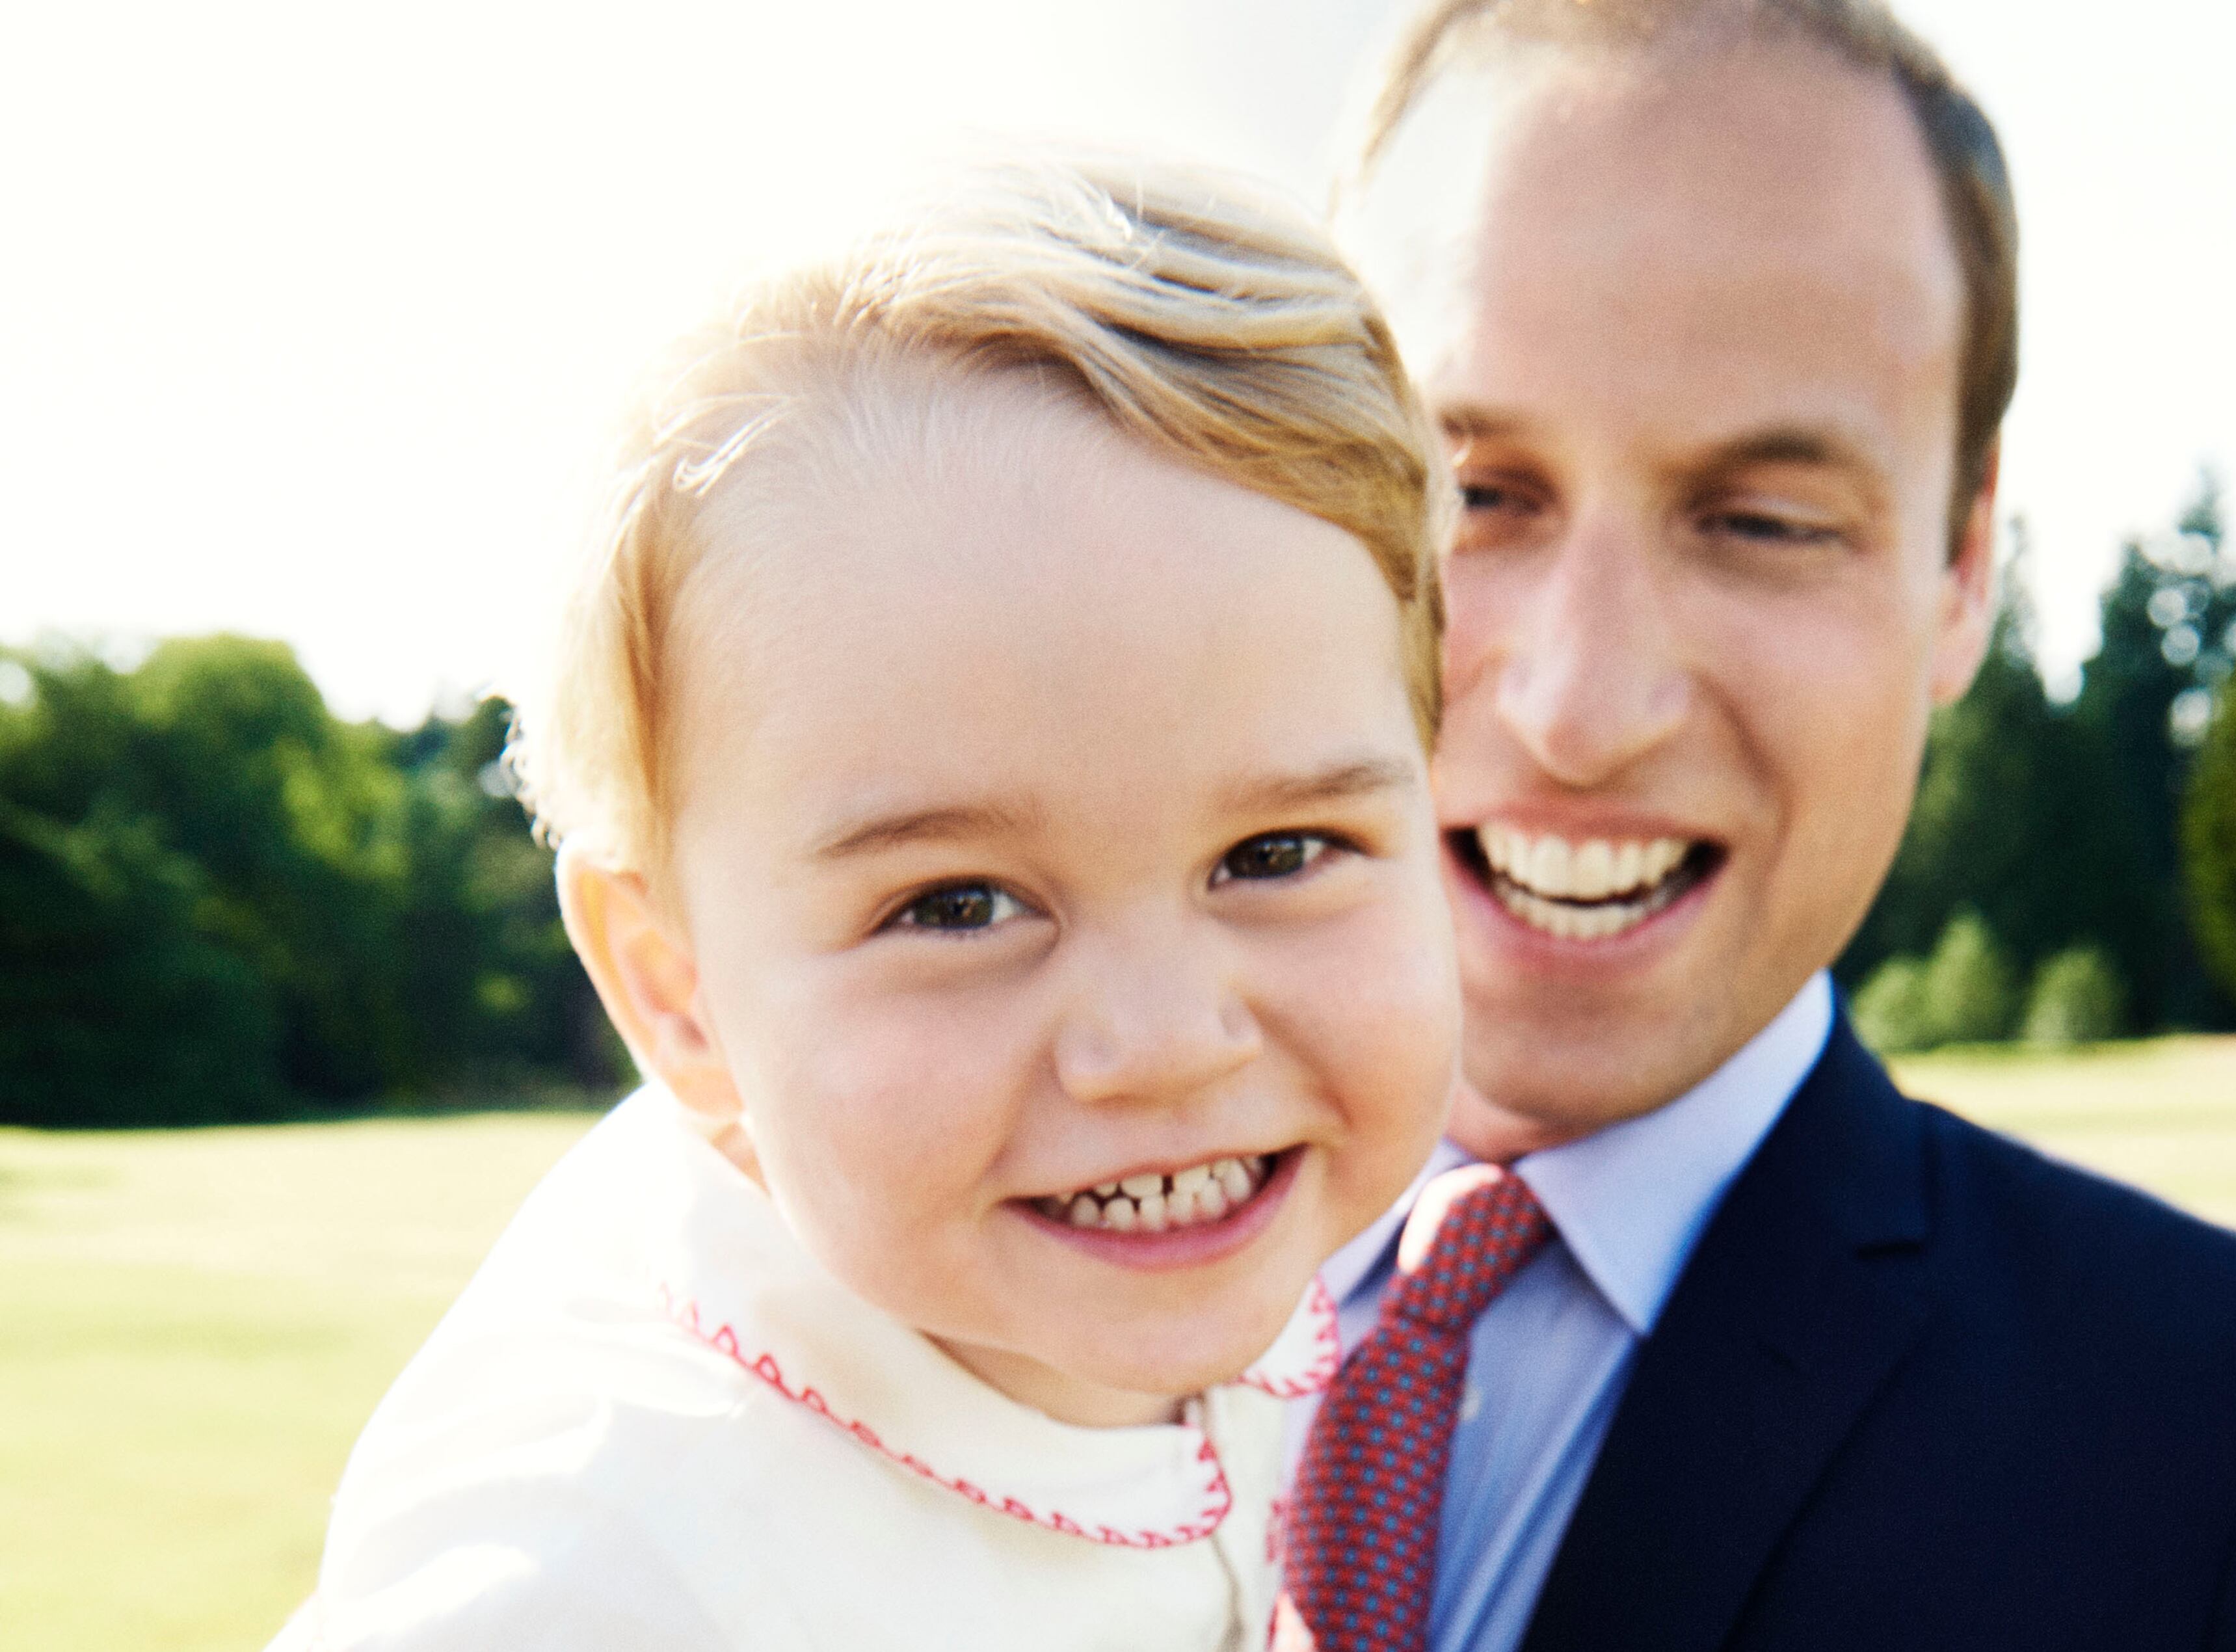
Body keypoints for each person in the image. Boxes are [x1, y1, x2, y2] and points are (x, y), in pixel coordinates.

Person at [1278, 3, 2236, 1649]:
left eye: (1767, 522)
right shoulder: (880, 1305)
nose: (1581, 704)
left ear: (1963, 562)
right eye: (1470, 492)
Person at [274, 157, 1465, 1651]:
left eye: (1279, 854)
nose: (1168, 1043)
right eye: (960, 904)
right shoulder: (584, 1579)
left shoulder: (1279, 1258)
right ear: (679, 995)